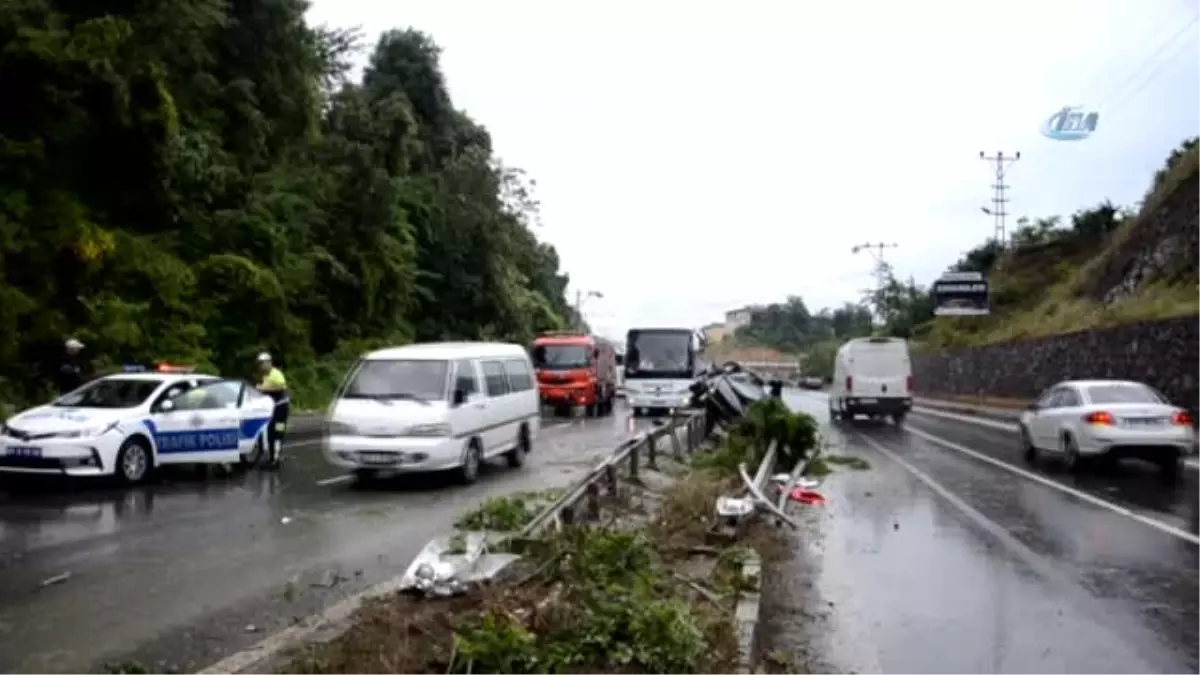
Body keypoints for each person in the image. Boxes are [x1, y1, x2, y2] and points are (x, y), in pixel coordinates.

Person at [256, 352, 289, 468]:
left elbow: (282, 387)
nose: (261, 366)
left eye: (262, 363)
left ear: (269, 363)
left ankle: (276, 460)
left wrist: (264, 389)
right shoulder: (265, 375)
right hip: (272, 409)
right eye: (259, 364)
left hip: (281, 409)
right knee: (270, 433)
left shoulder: (276, 373)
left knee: (278, 432)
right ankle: (271, 458)